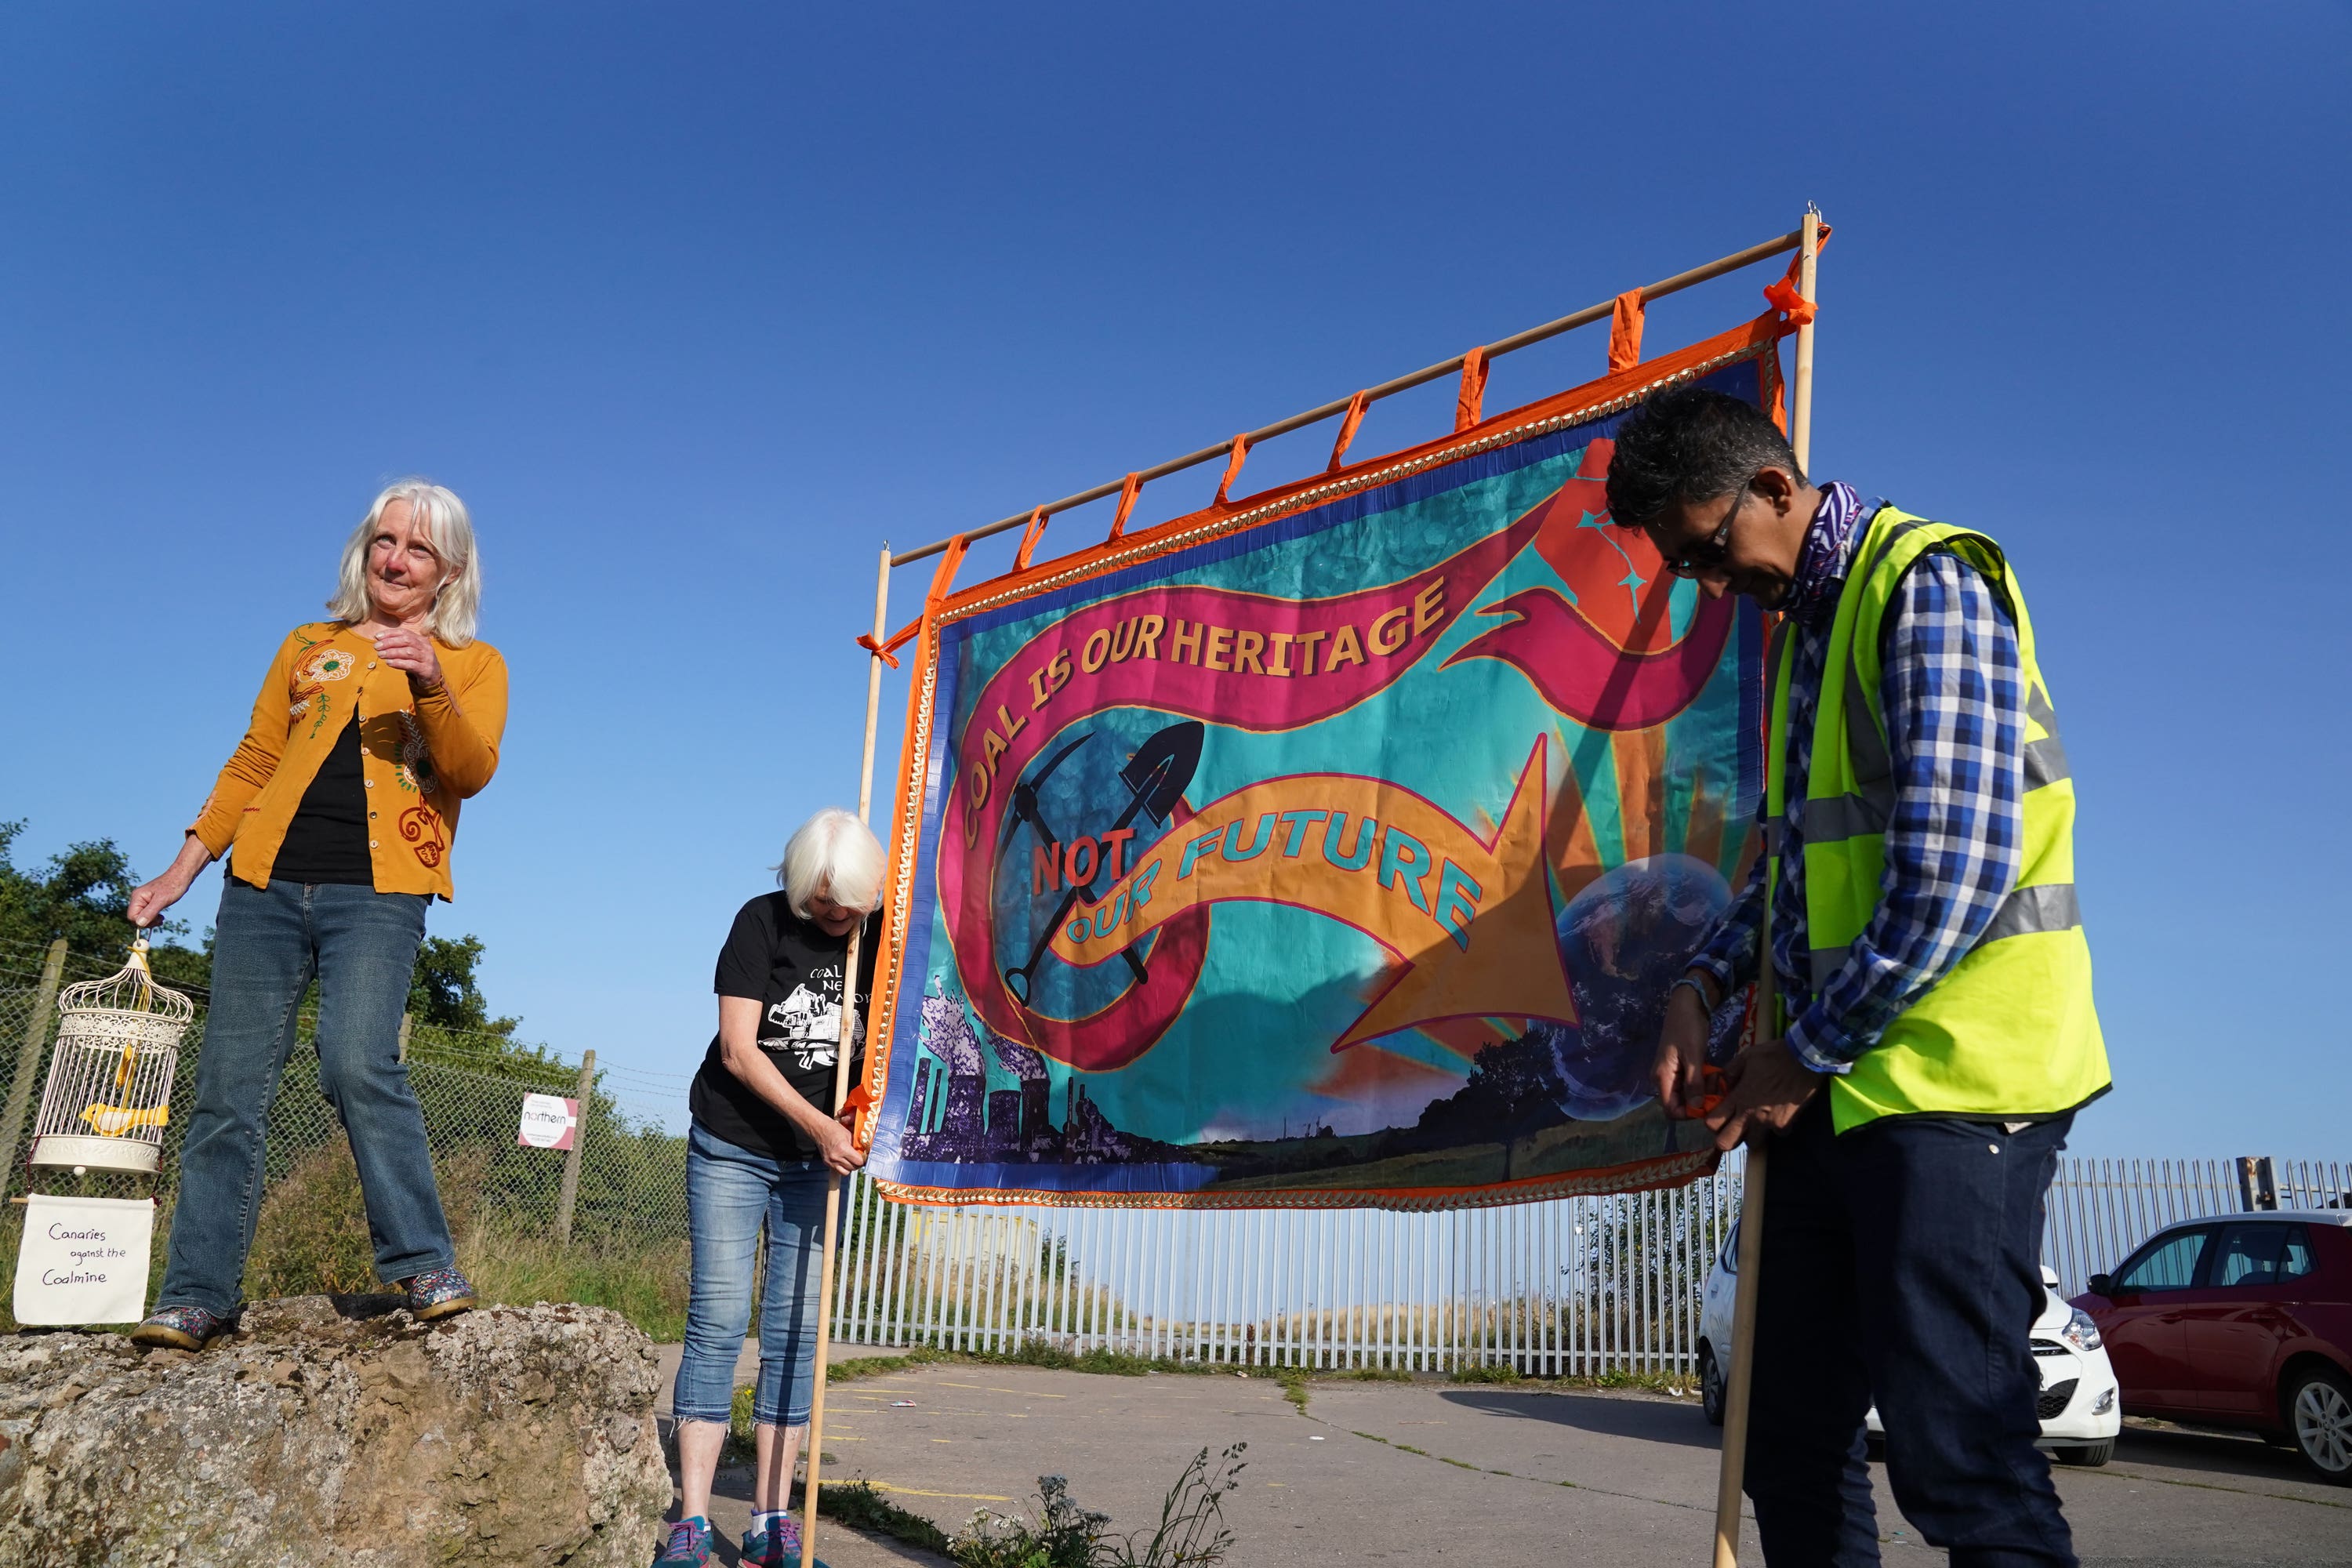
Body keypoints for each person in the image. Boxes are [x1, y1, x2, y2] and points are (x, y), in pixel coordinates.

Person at [1610, 388, 2109, 1567]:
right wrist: (1702, 981)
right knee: (1782, 1437)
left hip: (1955, 1088)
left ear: (1774, 490)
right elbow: (1790, 871)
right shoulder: (1810, 635)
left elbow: (1958, 870)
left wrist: (1806, 1051)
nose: (1709, 586)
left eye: (1710, 551)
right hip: (1837, 1087)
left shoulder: (1926, 584)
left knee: (1959, 1453)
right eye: (1685, 567)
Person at [125, 479, 509, 1351]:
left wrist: (433, 683)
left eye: (417, 548)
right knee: (228, 1088)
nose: (395, 558)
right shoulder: (309, 643)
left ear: (448, 571)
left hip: (380, 891)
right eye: (385, 540)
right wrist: (186, 864)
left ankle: (422, 1259)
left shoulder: (473, 663)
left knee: (356, 1063)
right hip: (262, 883)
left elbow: (470, 768)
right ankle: (196, 1292)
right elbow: (258, 754)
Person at [659, 808, 883, 1568]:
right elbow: (737, 1049)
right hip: (734, 1143)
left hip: (814, 1168)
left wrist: (847, 1123)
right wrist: (819, 1124)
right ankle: (691, 1522)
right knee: (719, 1319)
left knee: (793, 1335)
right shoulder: (760, 923)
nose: (833, 913)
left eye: (847, 901)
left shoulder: (882, 942)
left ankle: (770, 1524)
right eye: (821, 898)